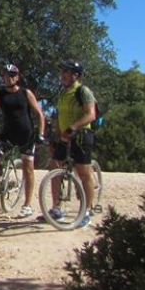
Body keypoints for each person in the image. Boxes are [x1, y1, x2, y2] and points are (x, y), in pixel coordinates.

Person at [0, 64, 46, 219]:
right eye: (6, 75)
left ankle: (27, 205)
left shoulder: (26, 93)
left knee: (28, 167)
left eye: (12, 75)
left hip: (26, 135)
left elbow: (39, 114)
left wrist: (41, 134)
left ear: (17, 77)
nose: (9, 77)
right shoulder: (0, 94)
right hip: (8, 134)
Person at [49, 59, 97, 228]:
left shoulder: (83, 91)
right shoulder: (63, 93)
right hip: (63, 137)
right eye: (62, 71)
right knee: (55, 170)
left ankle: (87, 211)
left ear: (75, 75)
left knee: (83, 173)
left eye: (66, 72)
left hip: (82, 135)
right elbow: (59, 116)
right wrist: (56, 135)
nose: (62, 75)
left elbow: (91, 115)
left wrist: (72, 128)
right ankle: (56, 209)